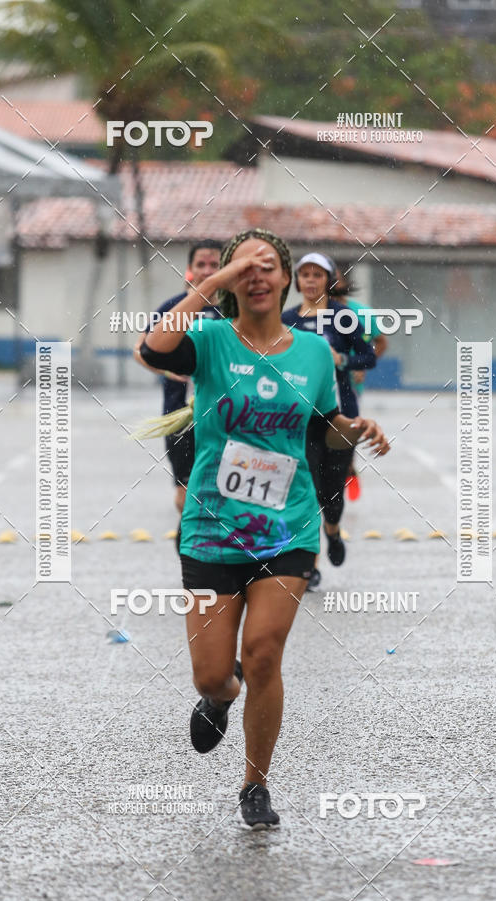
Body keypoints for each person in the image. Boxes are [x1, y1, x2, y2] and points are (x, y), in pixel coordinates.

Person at [140, 228, 390, 828]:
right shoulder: (210, 338)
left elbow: (324, 427)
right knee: (213, 672)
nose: (258, 275)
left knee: (263, 654)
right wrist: (215, 283)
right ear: (230, 278)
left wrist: (356, 431)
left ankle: (256, 784)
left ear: (285, 279)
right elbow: (152, 350)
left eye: (268, 266)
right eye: (244, 267)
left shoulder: (310, 351)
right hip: (210, 528)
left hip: (289, 527)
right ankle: (218, 699)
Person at [282, 252, 377, 590]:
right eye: (304, 275)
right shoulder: (286, 319)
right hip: (302, 417)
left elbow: (369, 355)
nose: (310, 281)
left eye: (316, 275)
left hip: (340, 416)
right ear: (296, 281)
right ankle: (310, 564)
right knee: (305, 487)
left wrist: (343, 359)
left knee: (331, 491)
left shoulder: (342, 316)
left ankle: (333, 531)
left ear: (328, 280)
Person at [134, 240, 221, 515]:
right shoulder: (173, 308)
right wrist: (167, 369)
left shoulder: (235, 310)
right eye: (201, 265)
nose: (208, 270)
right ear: (190, 270)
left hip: (224, 416)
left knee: (223, 493)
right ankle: (191, 547)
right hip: (179, 414)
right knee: (185, 495)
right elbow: (140, 350)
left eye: (215, 265)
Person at [333, 271, 389, 501]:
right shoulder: (314, 312)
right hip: (318, 383)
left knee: (348, 428)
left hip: (349, 384)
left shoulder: (361, 312)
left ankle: (348, 469)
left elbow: (381, 342)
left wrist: (361, 366)